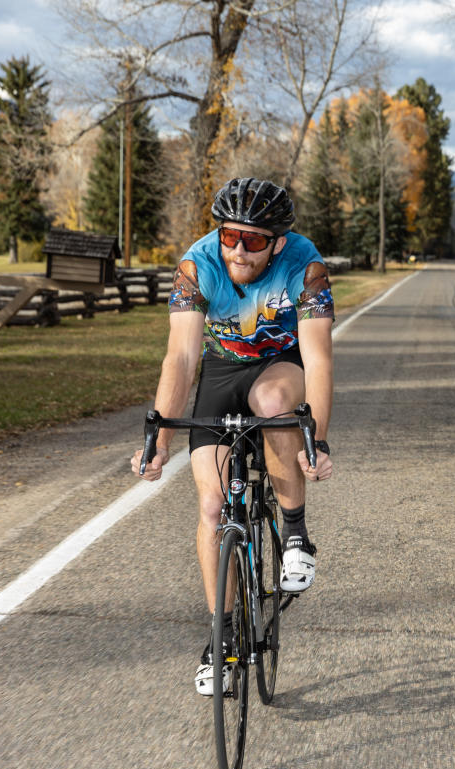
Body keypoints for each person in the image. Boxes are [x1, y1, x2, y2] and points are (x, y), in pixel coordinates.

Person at [131, 177, 335, 695]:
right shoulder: (196, 267)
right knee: (211, 506)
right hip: (221, 372)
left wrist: (318, 439)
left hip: (280, 364)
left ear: (278, 243)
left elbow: (318, 359)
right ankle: (220, 639)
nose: (239, 250)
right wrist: (160, 442)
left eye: (254, 240)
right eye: (229, 236)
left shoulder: (306, 267)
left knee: (273, 404)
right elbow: (182, 357)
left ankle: (295, 532)